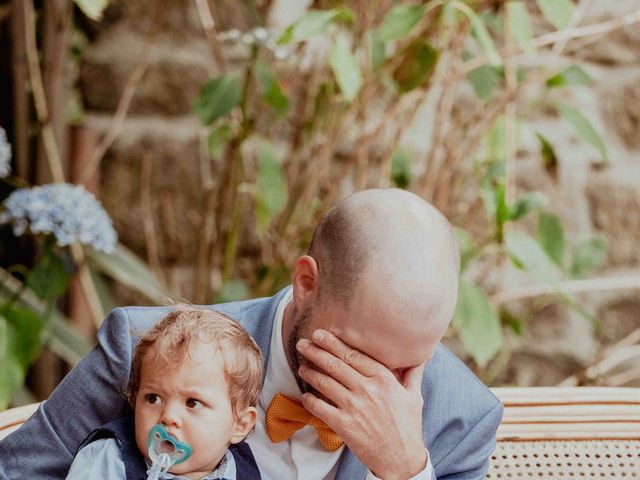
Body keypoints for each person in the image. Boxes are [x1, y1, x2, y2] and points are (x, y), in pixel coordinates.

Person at [0, 188, 503, 480]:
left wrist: (405, 470)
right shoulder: (144, 348)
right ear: (306, 283)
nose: (381, 388)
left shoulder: (458, 416)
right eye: (359, 355)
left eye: (411, 364)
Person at [65, 306, 263, 480]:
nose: (168, 417)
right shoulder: (109, 459)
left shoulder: (242, 471)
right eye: (153, 398)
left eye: (192, 403)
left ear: (240, 424)